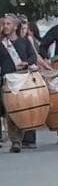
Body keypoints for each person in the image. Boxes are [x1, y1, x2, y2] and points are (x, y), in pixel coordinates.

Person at [0, 15, 38, 153]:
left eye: (8, 24)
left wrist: (27, 63)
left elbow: (33, 56)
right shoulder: (1, 43)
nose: (5, 26)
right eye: (4, 24)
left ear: (15, 26)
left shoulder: (24, 41)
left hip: (23, 78)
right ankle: (15, 141)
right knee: (11, 111)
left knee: (25, 108)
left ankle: (26, 138)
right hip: (8, 80)